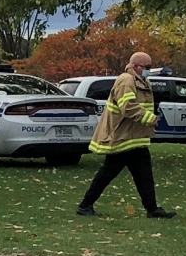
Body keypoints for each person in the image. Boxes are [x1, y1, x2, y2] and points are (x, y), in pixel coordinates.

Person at [75, 48, 175, 218]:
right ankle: (85, 205)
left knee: (144, 176)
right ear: (135, 66)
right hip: (122, 138)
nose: (149, 70)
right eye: (147, 67)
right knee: (108, 174)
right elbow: (127, 106)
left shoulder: (141, 81)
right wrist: (149, 117)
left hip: (135, 138)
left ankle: (152, 209)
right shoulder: (126, 80)